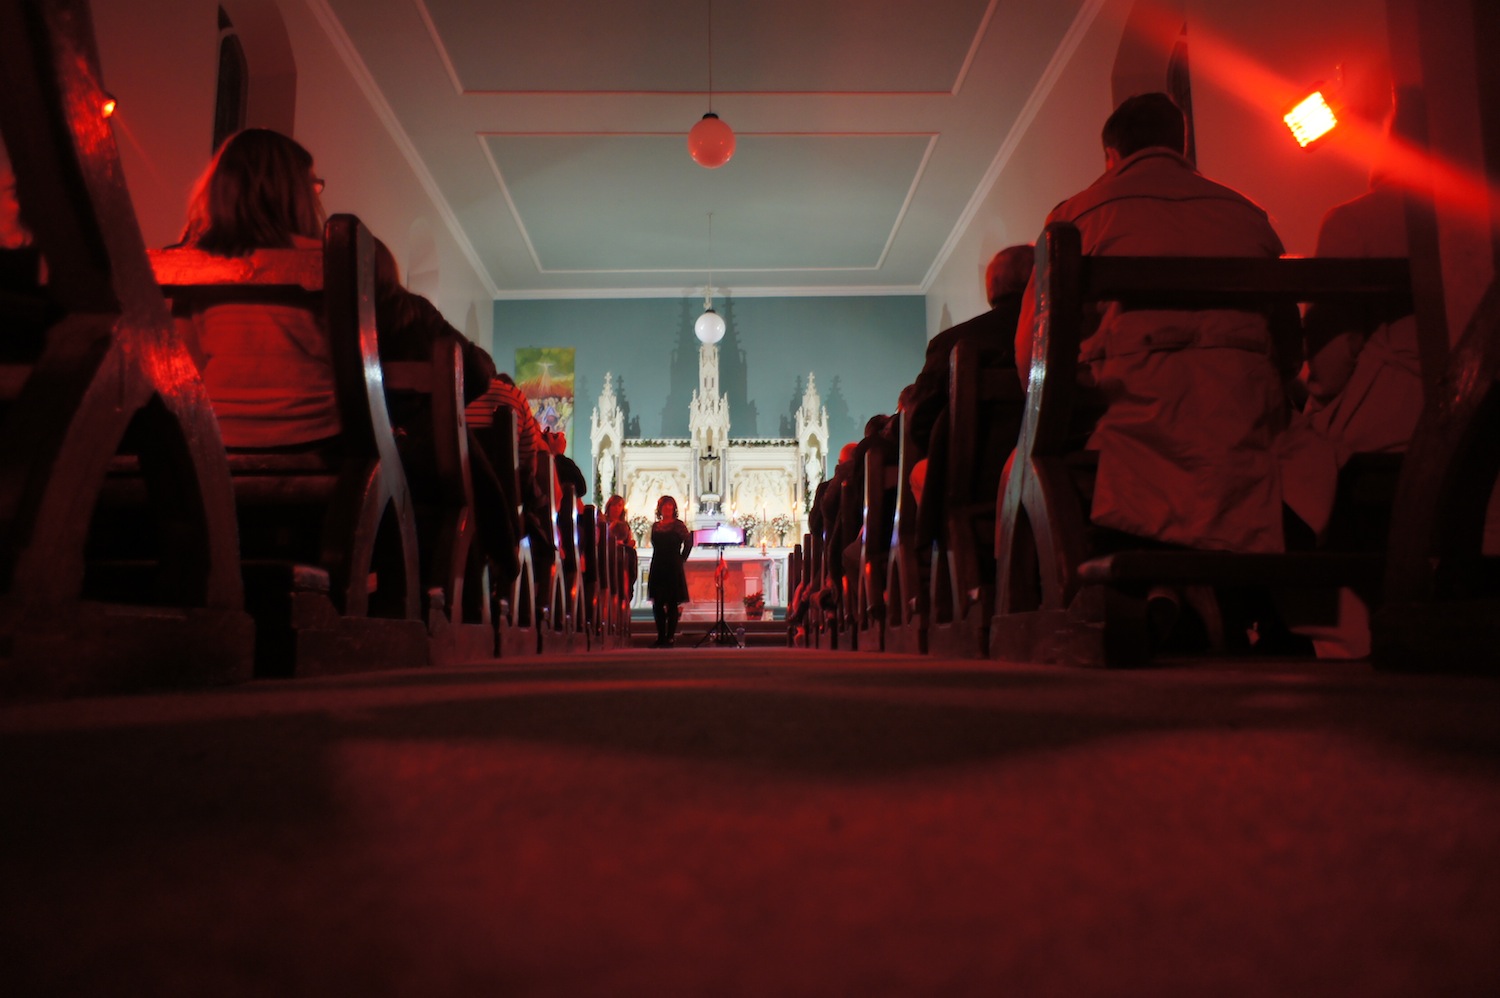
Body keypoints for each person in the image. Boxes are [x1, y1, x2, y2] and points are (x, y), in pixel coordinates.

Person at [1015, 92, 1335, 557]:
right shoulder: (1247, 214)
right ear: (1180, 145)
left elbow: (1033, 361)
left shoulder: (1076, 216)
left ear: (1111, 156)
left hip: (1134, 439)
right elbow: (1287, 352)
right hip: (1243, 431)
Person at [905, 243, 1032, 506]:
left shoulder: (951, 342)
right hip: (1060, 471)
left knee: (920, 474)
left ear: (992, 289)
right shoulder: (1076, 329)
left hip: (978, 481)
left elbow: (920, 421)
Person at [646, 494, 693, 647]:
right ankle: (661, 636)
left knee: (672, 602)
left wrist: (682, 558)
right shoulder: (656, 526)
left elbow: (688, 542)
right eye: (664, 505)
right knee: (658, 602)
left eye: (670, 505)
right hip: (658, 565)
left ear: (674, 508)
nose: (667, 508)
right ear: (660, 508)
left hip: (673, 566)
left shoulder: (678, 525)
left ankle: (670, 637)